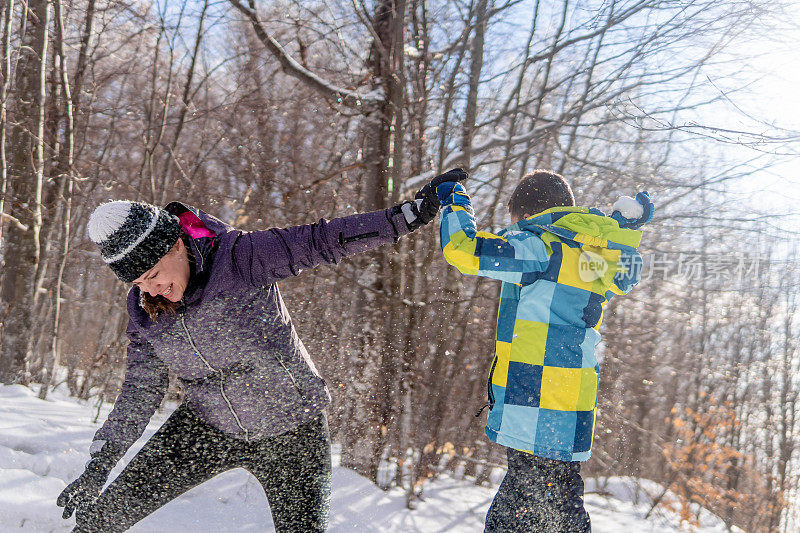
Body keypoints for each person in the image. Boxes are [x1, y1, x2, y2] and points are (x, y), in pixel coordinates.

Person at [57, 170, 465, 532]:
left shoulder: (240, 259)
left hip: (292, 428)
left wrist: (408, 215)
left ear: (176, 247)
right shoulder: (145, 313)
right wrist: (102, 462)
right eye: (138, 283)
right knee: (98, 524)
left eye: (152, 275)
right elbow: (139, 391)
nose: (148, 289)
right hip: (208, 426)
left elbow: (322, 240)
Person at [423, 169, 653, 532]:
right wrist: (621, 229)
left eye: (515, 222)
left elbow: (463, 249)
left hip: (536, 400)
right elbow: (625, 271)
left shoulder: (540, 247)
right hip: (571, 402)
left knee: (551, 511)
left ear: (527, 215)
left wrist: (457, 202)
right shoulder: (592, 256)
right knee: (536, 507)